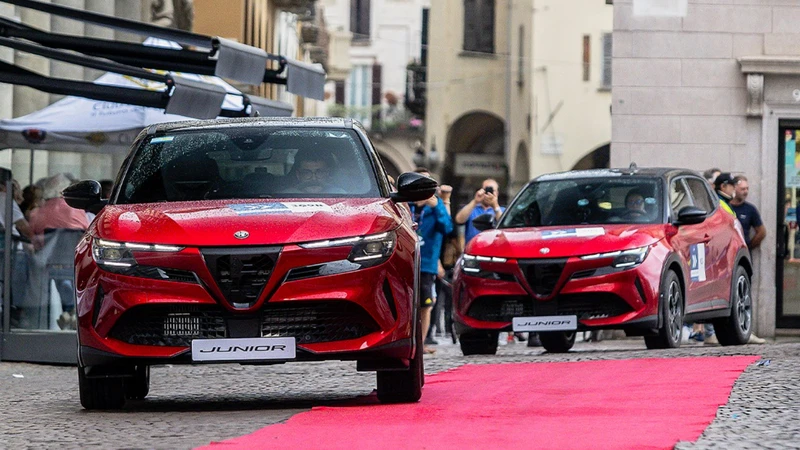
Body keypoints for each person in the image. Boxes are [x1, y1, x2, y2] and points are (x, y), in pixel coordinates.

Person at [409, 168, 453, 354]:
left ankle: (420, 342)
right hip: (407, 260)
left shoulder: (435, 206)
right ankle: (409, 342)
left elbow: (447, 227)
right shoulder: (406, 203)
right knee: (409, 304)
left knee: (426, 304)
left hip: (427, 263)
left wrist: (437, 206)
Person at [729, 175, 767, 345]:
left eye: (747, 189)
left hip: (742, 258)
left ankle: (745, 329)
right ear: (734, 188)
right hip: (726, 258)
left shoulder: (750, 210)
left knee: (743, 294)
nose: (745, 192)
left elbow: (761, 231)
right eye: (742, 189)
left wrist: (749, 245)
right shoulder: (725, 208)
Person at [455, 178, 505, 246]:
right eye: (486, 190)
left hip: (494, 248)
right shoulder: (471, 208)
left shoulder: (502, 210)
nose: (489, 193)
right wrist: (475, 201)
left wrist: (495, 206)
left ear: (497, 193)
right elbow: (459, 220)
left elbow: (504, 226)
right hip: (472, 248)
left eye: (492, 191)